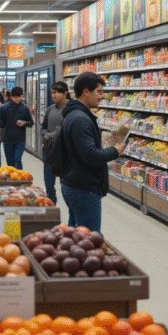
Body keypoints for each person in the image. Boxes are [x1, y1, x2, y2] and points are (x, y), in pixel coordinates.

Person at [59, 72, 124, 232]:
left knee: (74, 237)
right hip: (83, 187)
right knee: (89, 239)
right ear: (86, 91)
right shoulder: (80, 119)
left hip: (75, 183)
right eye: (99, 92)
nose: (102, 96)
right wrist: (115, 151)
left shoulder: (76, 115)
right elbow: (91, 156)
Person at [41, 81, 70, 203]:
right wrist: (45, 135)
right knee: (49, 185)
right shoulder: (50, 110)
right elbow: (43, 127)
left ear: (65, 93)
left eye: (58, 92)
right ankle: (51, 205)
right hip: (49, 153)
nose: (54, 95)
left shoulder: (71, 110)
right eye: (53, 93)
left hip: (65, 154)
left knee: (66, 187)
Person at [0, 86, 34, 170]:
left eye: (18, 97)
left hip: (20, 139)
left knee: (17, 159)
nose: (16, 99)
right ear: (11, 96)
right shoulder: (4, 108)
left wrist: (24, 123)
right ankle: (13, 179)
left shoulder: (24, 108)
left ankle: (20, 178)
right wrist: (4, 123)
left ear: (21, 96)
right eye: (14, 97)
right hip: (7, 139)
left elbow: (31, 122)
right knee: (10, 162)